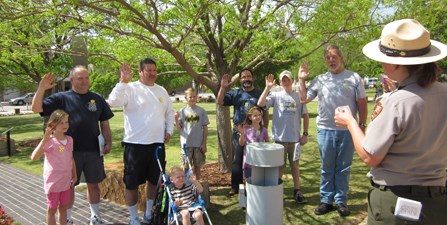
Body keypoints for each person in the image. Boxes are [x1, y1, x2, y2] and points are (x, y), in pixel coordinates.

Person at [335, 19, 447, 225]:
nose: (381, 63)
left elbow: (370, 156)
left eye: (384, 57)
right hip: (436, 202)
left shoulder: (395, 102)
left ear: (397, 63)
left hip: (396, 203)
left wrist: (350, 122)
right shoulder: (443, 92)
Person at [32, 66, 114, 225]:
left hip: (93, 150)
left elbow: (104, 123)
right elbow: (36, 108)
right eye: (80, 78)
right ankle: (68, 218)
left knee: (94, 184)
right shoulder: (61, 98)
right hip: (69, 152)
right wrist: (41, 88)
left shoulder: (97, 98)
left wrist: (108, 141)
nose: (84, 81)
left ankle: (95, 216)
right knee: (69, 186)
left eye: (86, 78)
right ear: (72, 80)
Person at [298, 45, 368, 217]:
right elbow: (303, 99)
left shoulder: (354, 77)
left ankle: (341, 201)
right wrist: (301, 79)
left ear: (341, 57)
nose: (331, 60)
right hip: (325, 130)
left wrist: (362, 124)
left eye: (334, 56)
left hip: (347, 130)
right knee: (327, 167)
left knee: (344, 168)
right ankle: (326, 200)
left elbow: (362, 102)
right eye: (328, 57)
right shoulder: (320, 79)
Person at [107, 58, 175, 225]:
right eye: (148, 70)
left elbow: (170, 113)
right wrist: (122, 81)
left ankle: (149, 213)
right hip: (135, 145)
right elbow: (113, 102)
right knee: (132, 184)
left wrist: (169, 130)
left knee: (155, 181)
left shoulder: (161, 91)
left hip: (157, 145)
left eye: (154, 70)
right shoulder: (130, 88)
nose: (152, 73)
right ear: (140, 72)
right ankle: (133, 217)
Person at [257, 71, 309, 204]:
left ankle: (297, 191)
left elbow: (306, 116)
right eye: (283, 80)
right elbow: (261, 103)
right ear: (280, 82)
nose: (286, 82)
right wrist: (267, 88)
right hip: (279, 139)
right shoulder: (275, 95)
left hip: (295, 139)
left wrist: (305, 134)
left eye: (288, 79)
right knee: (279, 167)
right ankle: (277, 191)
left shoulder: (299, 97)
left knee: (295, 166)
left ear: (292, 80)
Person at [216, 69, 269, 196]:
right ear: (240, 80)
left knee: (256, 160)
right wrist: (223, 87)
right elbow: (220, 101)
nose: (246, 79)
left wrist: (265, 128)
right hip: (239, 132)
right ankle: (236, 186)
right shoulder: (235, 93)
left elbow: (265, 111)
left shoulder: (259, 93)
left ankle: (255, 183)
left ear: (253, 78)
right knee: (237, 160)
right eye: (243, 77)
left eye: (249, 76)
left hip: (256, 134)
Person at [31, 109, 77, 225]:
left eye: (66, 122)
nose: (65, 125)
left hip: (66, 181)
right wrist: (44, 140)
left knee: (63, 208)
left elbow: (71, 159)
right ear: (52, 125)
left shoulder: (70, 140)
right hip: (53, 182)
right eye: (61, 123)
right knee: (52, 209)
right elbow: (34, 157)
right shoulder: (49, 141)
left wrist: (75, 175)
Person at [175, 88, 209, 180]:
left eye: (194, 96)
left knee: (197, 166)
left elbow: (205, 128)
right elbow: (179, 128)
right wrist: (176, 119)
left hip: (198, 144)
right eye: (190, 97)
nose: (193, 98)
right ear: (186, 98)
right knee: (185, 167)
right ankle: (186, 186)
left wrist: (204, 143)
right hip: (186, 144)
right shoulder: (182, 111)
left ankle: (196, 186)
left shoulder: (201, 111)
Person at [237, 106, 269, 178]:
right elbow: (241, 143)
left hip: (260, 161)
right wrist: (242, 133)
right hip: (249, 160)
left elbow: (267, 145)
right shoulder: (246, 129)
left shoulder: (264, 130)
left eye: (259, 115)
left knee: (259, 180)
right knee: (248, 180)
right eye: (255, 115)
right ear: (250, 117)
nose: (258, 117)